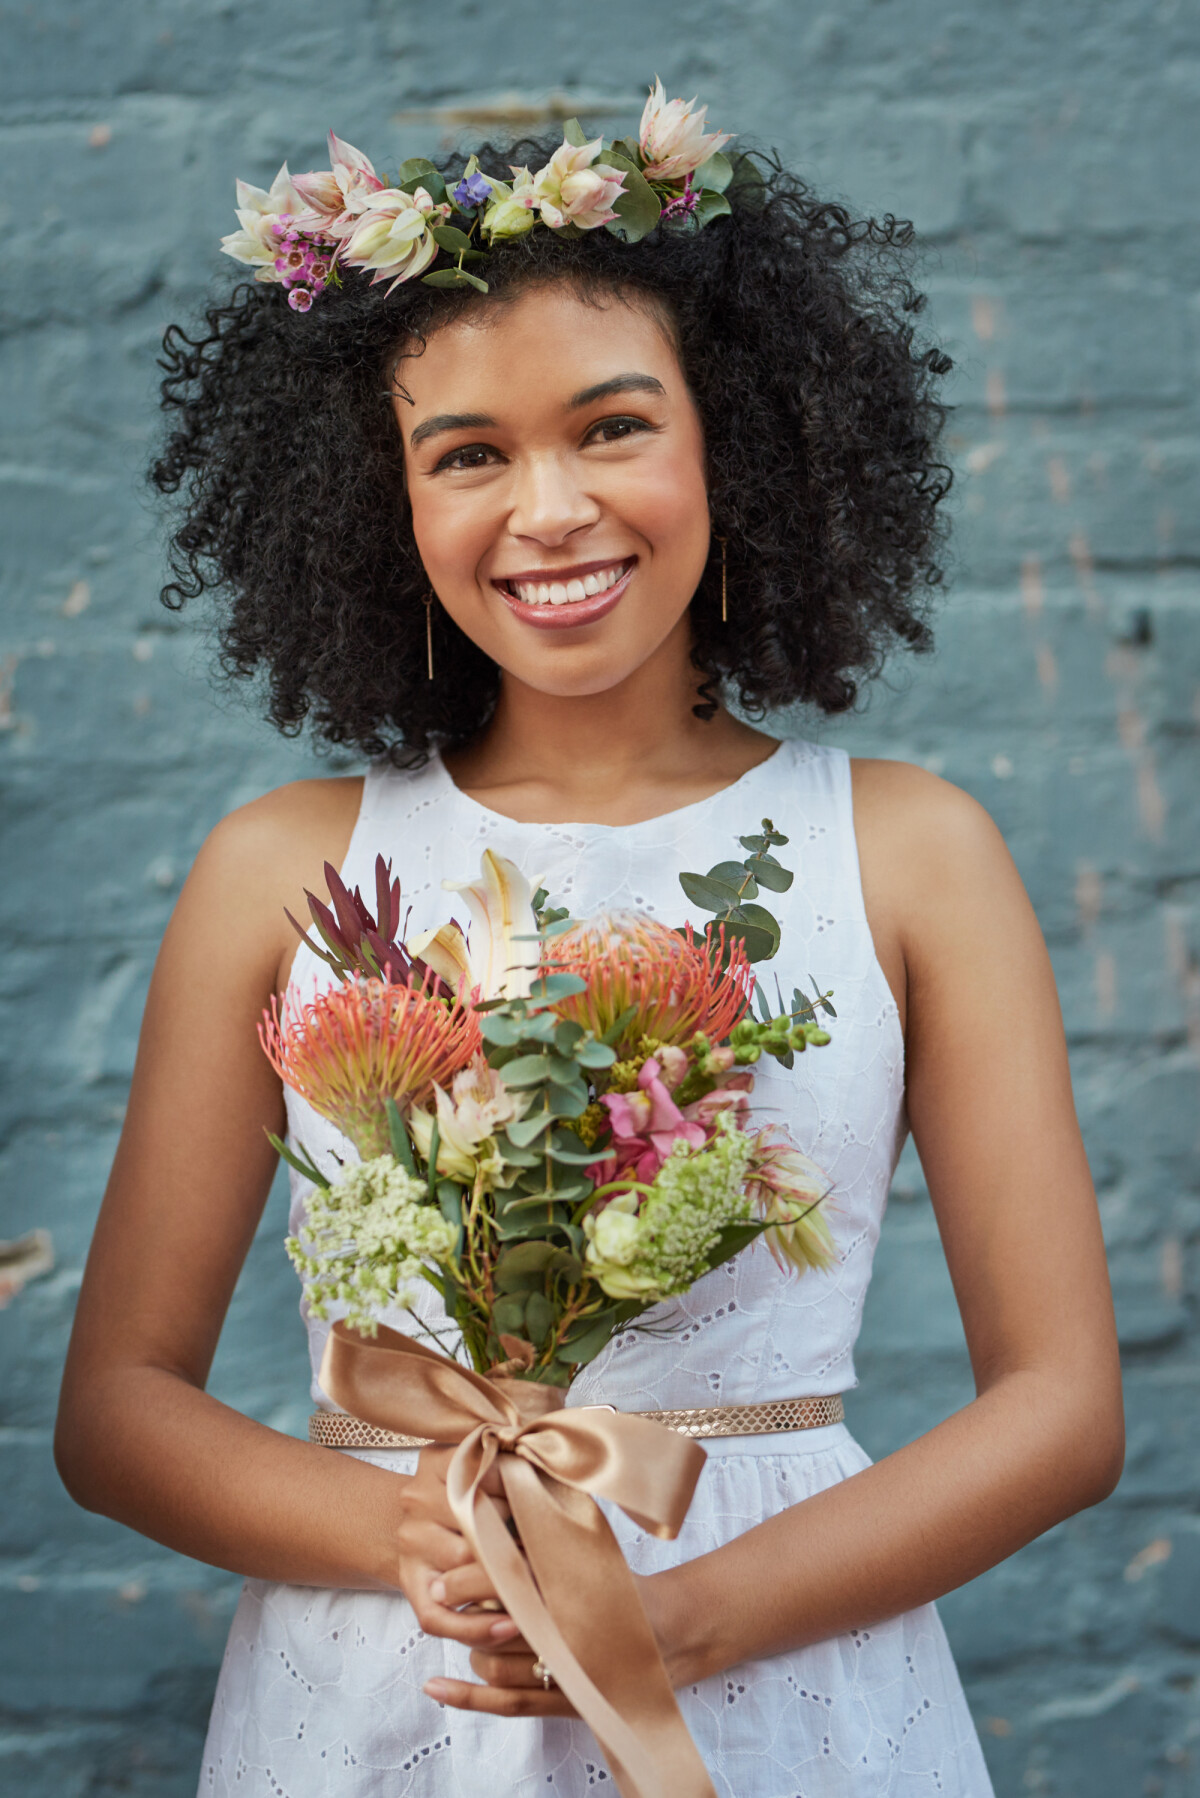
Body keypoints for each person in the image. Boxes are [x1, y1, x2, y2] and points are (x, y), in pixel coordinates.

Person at [55, 87, 1123, 1798]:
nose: (547, 509)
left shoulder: (915, 854)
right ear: (379, 501)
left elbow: (1065, 1406)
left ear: (739, 445)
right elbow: (115, 1410)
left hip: (778, 1660)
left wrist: (679, 1619)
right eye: (468, 452)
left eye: (612, 427)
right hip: (394, 1675)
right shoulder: (282, 867)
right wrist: (432, 1533)